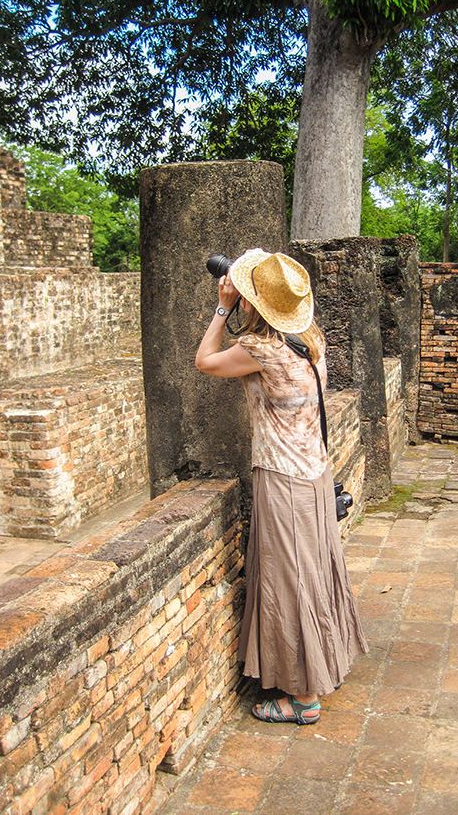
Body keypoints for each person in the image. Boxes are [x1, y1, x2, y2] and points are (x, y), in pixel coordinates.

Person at [195, 248, 368, 725]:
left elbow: (205, 360)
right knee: (314, 574)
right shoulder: (309, 338)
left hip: (282, 478)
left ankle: (303, 698)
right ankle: (320, 663)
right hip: (314, 473)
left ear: (253, 301)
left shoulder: (260, 350)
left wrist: (223, 308)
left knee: (289, 583)